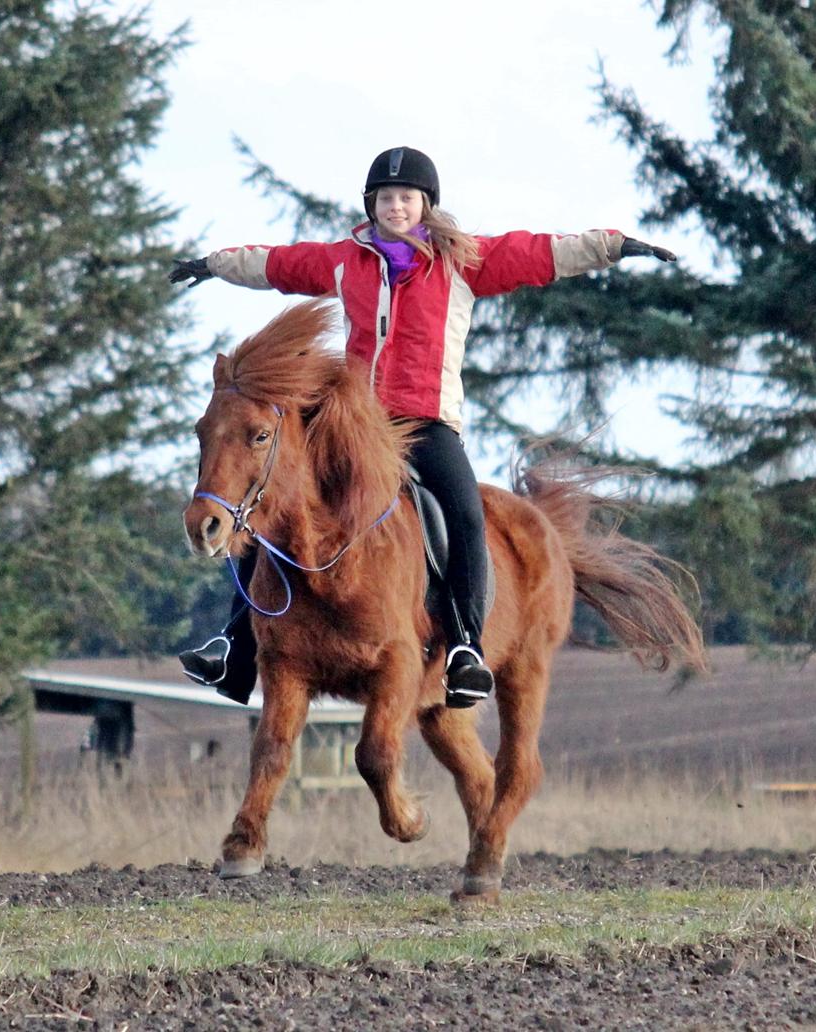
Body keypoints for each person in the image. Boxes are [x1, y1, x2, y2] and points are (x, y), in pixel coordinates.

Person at [172, 146, 676, 708]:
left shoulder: (464, 261)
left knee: (463, 512)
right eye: (386, 198)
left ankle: (464, 647)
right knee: (268, 497)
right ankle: (234, 648)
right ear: (373, 204)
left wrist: (612, 246)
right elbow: (277, 265)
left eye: (406, 198)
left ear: (425, 205)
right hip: (354, 424)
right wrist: (214, 264)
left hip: (428, 422)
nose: (396, 207)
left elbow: (541, 253)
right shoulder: (345, 259)